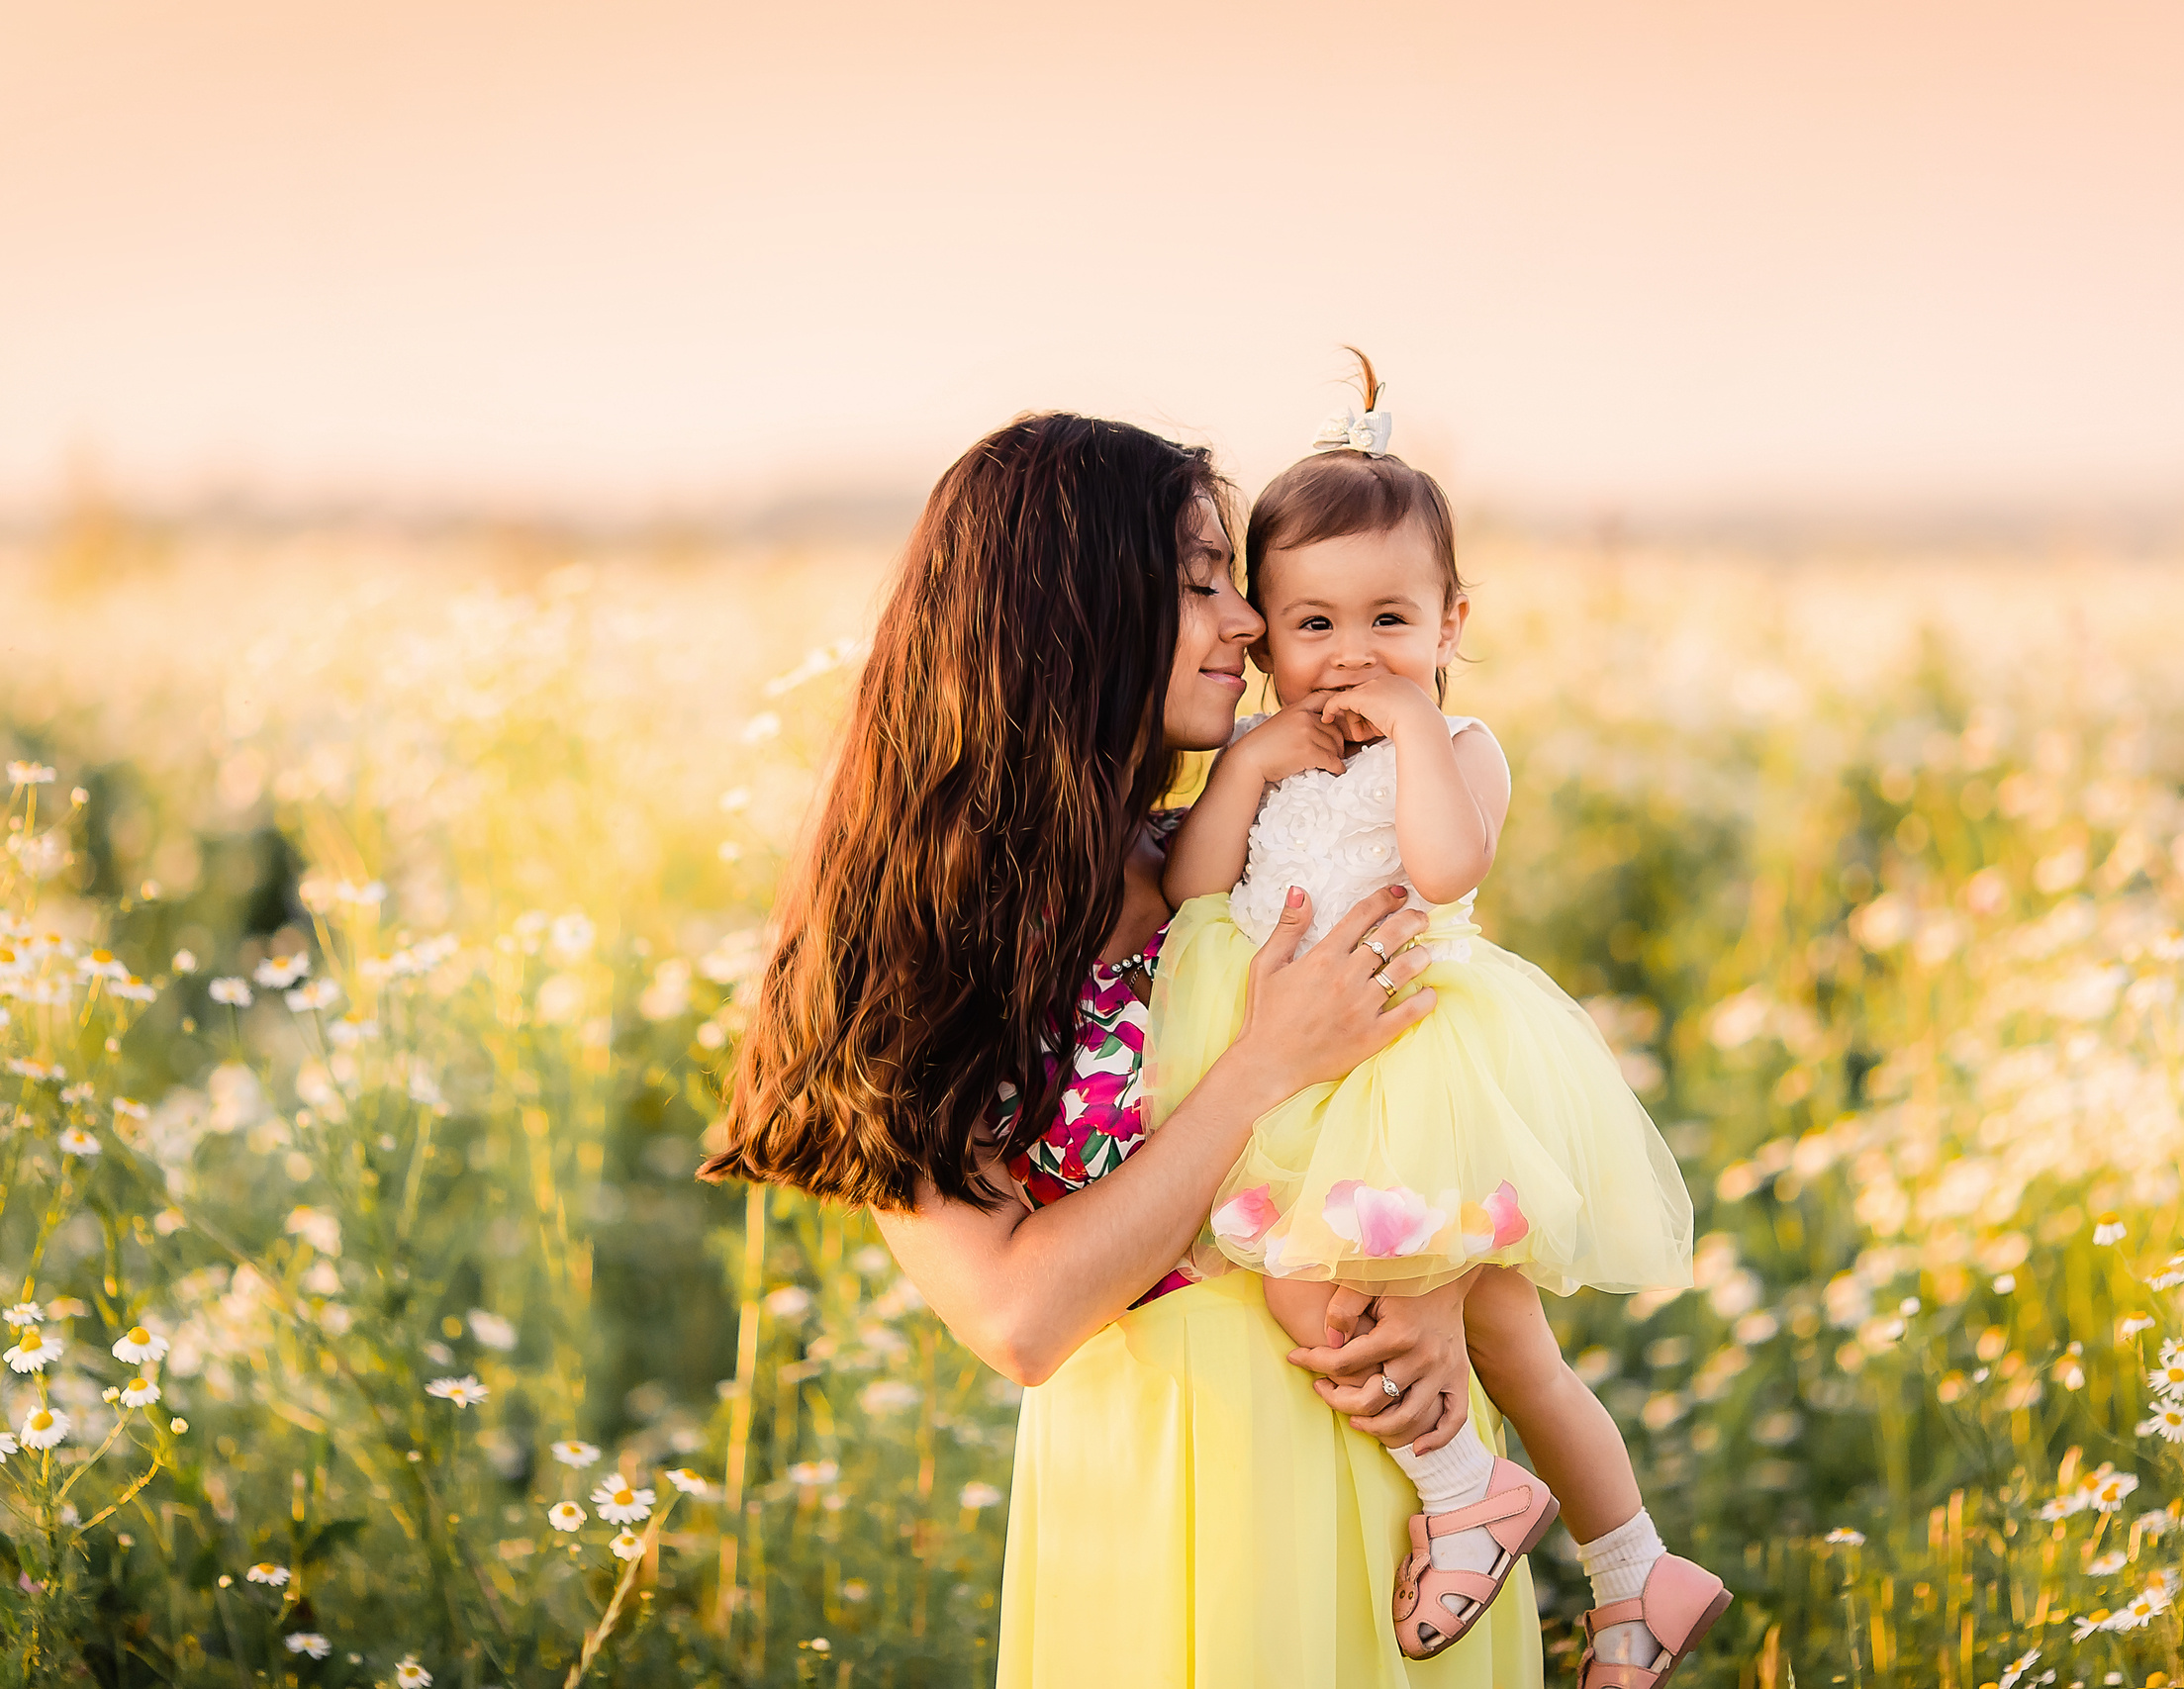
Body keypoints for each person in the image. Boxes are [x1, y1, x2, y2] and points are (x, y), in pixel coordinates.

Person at [703, 413, 1540, 1686]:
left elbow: (1454, 1078)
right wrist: (1262, 1065)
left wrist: (1438, 1281)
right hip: (1163, 1485)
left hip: (1400, 1465)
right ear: (1070, 616)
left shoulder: (1255, 861)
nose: (1251, 623)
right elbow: (1019, 1316)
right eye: (1200, 584)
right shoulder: (912, 941)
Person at [1148, 354, 1728, 1688]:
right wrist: (1243, 763)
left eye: (1391, 621)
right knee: (1503, 1337)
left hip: (1414, 1065)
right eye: (1312, 625)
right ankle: (1637, 1570)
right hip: (1301, 1068)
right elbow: (1192, 888)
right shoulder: (1271, 749)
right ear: (1266, 631)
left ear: (1453, 622)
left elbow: (1448, 865)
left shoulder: (1459, 747)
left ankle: (1482, 1496)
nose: (1351, 655)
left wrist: (1411, 724)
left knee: (1312, 1277)